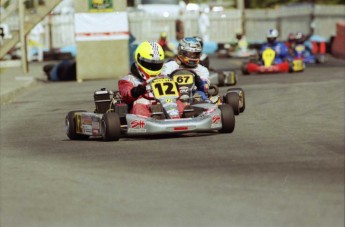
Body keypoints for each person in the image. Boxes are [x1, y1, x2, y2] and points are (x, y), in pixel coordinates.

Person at [118, 41, 185, 117]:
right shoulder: (128, 79)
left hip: (166, 105)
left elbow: (176, 95)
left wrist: (176, 87)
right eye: (149, 64)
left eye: (156, 64)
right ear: (139, 60)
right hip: (144, 108)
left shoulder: (164, 76)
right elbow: (126, 95)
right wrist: (137, 90)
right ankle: (153, 120)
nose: (153, 67)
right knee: (139, 107)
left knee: (179, 103)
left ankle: (182, 118)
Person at [161, 37, 210, 101]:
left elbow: (204, 87)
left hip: (193, 96)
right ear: (181, 52)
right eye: (189, 54)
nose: (192, 57)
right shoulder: (169, 66)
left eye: (195, 54)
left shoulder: (202, 70)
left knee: (201, 94)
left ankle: (204, 108)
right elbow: (162, 82)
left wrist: (199, 80)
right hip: (172, 95)